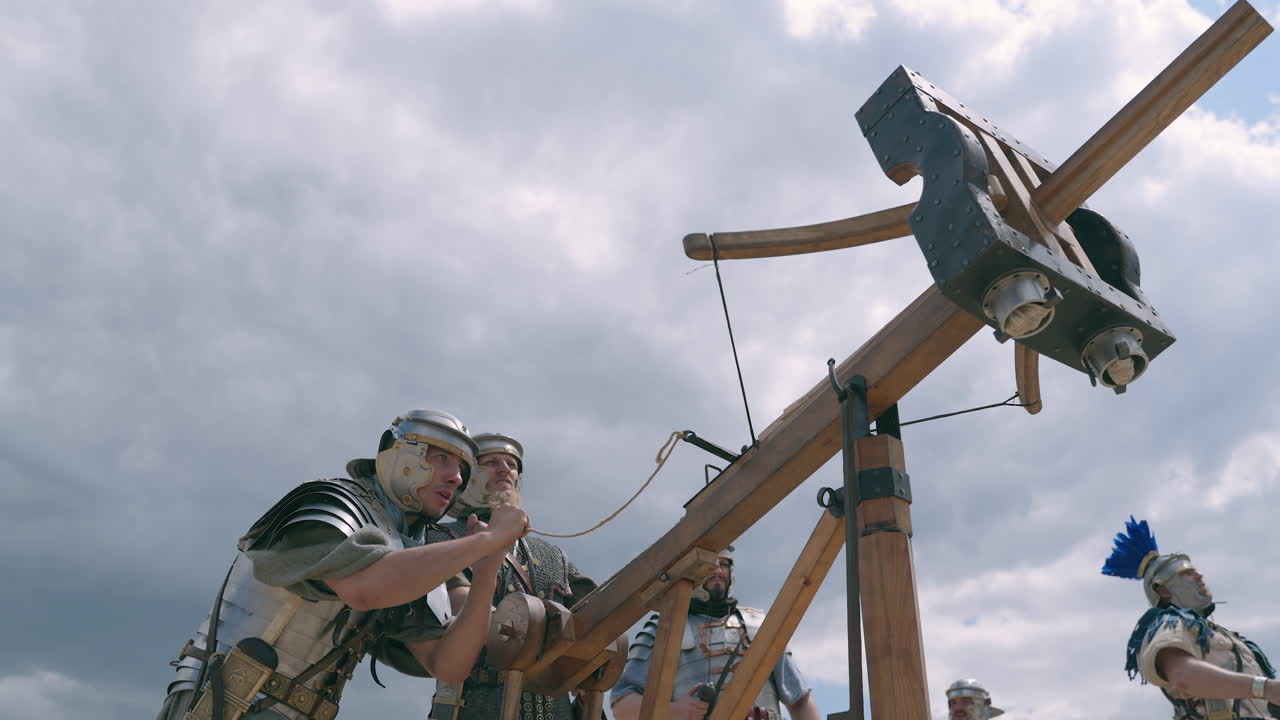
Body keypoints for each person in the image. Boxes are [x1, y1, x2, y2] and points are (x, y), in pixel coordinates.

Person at [155, 410, 530, 720]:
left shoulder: (409, 553)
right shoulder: (334, 503)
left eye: (463, 468)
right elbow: (364, 589)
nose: (457, 477)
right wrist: (487, 539)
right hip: (226, 701)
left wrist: (486, 570)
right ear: (401, 454)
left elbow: (448, 666)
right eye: (442, 457)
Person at [426, 432, 597, 720]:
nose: (505, 469)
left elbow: (595, 618)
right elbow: (460, 607)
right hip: (477, 704)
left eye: (511, 464)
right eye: (491, 462)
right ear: (468, 476)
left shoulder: (554, 556)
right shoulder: (443, 538)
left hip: (555, 709)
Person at [1103, 515, 1280, 720]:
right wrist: (1265, 688)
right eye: (1187, 573)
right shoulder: (1168, 624)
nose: (1199, 576)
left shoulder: (1226, 635)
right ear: (1163, 591)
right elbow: (1183, 676)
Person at [610, 548, 820, 720]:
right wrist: (674, 712)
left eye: (724, 564)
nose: (718, 570)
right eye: (710, 565)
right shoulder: (664, 627)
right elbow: (621, 703)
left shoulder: (759, 626)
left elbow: (799, 699)